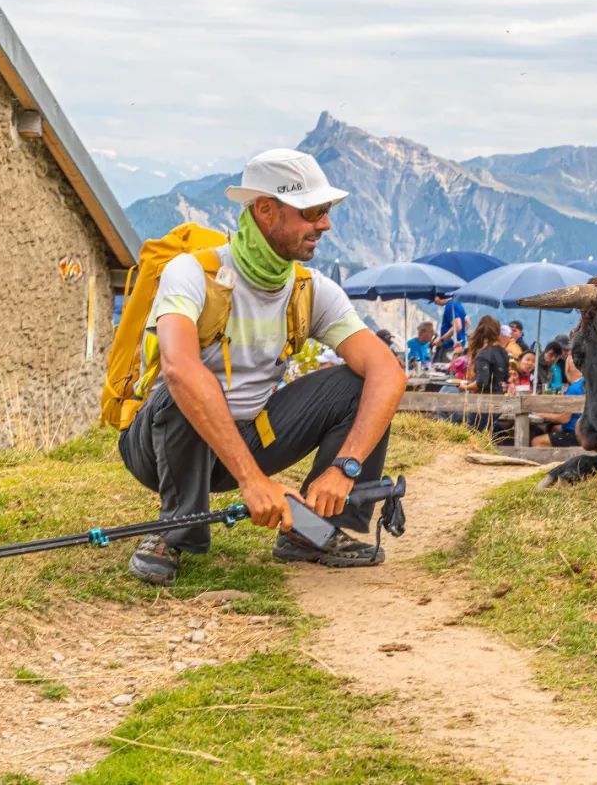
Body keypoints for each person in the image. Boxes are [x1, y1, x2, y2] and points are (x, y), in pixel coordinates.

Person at [119, 148, 407, 586]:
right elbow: (178, 368)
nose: (325, 224)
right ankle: (172, 533)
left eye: (326, 211)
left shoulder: (313, 291)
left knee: (360, 382)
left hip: (248, 437)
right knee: (185, 387)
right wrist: (254, 483)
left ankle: (312, 532)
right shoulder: (191, 273)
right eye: (313, 211)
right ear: (266, 211)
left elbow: (388, 372)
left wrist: (344, 467)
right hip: (160, 444)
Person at [532, 353, 584, 447]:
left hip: (577, 434)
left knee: (537, 441)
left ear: (568, 368)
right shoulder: (585, 383)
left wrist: (538, 413)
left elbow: (564, 418)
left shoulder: (573, 389)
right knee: (553, 429)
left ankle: (554, 460)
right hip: (586, 430)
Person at [460, 318, 511, 395]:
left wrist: (465, 387)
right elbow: (506, 377)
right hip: (500, 397)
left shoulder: (483, 354)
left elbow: (481, 383)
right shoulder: (503, 352)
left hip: (485, 399)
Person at [431, 294, 469, 363]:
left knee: (445, 371)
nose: (435, 302)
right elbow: (467, 322)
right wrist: (459, 335)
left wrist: (441, 340)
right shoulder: (458, 304)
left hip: (449, 349)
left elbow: (457, 326)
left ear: (437, 297)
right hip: (459, 347)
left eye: (434, 300)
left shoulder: (449, 306)